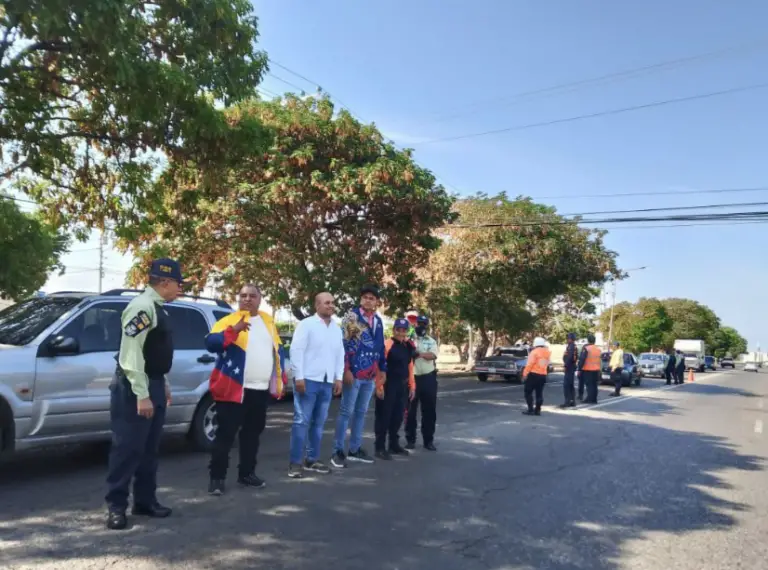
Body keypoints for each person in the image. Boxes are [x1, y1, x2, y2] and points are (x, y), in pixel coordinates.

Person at [104, 258, 182, 530]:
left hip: (155, 384)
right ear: (164, 282)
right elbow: (131, 354)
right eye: (177, 283)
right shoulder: (142, 307)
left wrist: (164, 383)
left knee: (149, 449)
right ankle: (116, 507)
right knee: (127, 449)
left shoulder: (159, 308)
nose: (179, 288)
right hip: (135, 387)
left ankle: (145, 501)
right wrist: (142, 393)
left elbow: (154, 352)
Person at [206, 284, 286, 496]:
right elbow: (211, 343)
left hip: (259, 391)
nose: (247, 299)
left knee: (252, 435)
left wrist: (280, 378)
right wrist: (234, 331)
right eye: (243, 295)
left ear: (260, 299)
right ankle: (217, 478)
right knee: (225, 435)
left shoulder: (268, 322)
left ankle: (247, 473)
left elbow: (278, 350)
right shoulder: (228, 321)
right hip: (233, 390)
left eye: (252, 296)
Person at [288, 292, 345, 478]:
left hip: (327, 382)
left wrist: (338, 378)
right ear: (317, 305)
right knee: (301, 421)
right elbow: (296, 350)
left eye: (332, 302)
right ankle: (295, 463)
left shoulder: (336, 329)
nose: (330, 305)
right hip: (308, 380)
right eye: (326, 302)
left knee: (319, 423)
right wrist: (299, 377)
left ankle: (312, 459)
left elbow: (339, 355)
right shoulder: (306, 325)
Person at [330, 285, 387, 468]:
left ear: (376, 302)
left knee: (361, 413)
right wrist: (345, 369)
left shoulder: (377, 320)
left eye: (372, 298)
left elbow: (380, 348)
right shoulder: (351, 318)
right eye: (365, 297)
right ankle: (337, 451)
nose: (369, 300)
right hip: (353, 373)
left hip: (370, 375)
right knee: (346, 412)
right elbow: (344, 346)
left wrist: (382, 369)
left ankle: (355, 449)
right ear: (361, 299)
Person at [374, 319, 416, 459]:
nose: (401, 333)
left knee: (397, 417)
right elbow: (379, 366)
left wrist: (412, 385)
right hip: (388, 384)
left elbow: (410, 367)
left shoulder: (409, 346)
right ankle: (380, 447)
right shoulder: (387, 345)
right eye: (399, 329)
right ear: (394, 330)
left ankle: (394, 445)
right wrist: (379, 386)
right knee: (384, 417)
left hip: (402, 385)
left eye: (404, 330)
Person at [405, 315, 439, 451]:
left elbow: (433, 355)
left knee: (429, 411)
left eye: (424, 324)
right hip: (412, 379)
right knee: (410, 412)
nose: (421, 326)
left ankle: (428, 441)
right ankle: (410, 440)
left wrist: (419, 354)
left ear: (427, 326)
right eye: (419, 323)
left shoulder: (431, 341)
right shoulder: (410, 340)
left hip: (428, 378)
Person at [522, 337, 551, 416]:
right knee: (539, 393)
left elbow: (529, 364)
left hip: (533, 375)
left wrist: (525, 374)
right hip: (542, 375)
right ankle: (537, 410)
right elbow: (545, 363)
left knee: (528, 392)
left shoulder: (534, 352)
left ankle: (530, 409)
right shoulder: (547, 352)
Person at [577, 334, 601, 404]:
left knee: (589, 385)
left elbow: (582, 359)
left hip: (588, 369)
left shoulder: (587, 348)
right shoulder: (598, 349)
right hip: (596, 370)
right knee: (594, 385)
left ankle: (589, 399)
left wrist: (579, 369)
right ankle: (594, 399)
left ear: (588, 340)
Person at [560, 332, 578, 408]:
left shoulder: (571, 346)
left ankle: (567, 402)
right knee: (570, 385)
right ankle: (572, 401)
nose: (567, 339)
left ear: (571, 339)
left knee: (566, 385)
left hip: (569, 367)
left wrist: (565, 365)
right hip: (572, 367)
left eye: (568, 338)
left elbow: (570, 357)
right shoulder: (573, 346)